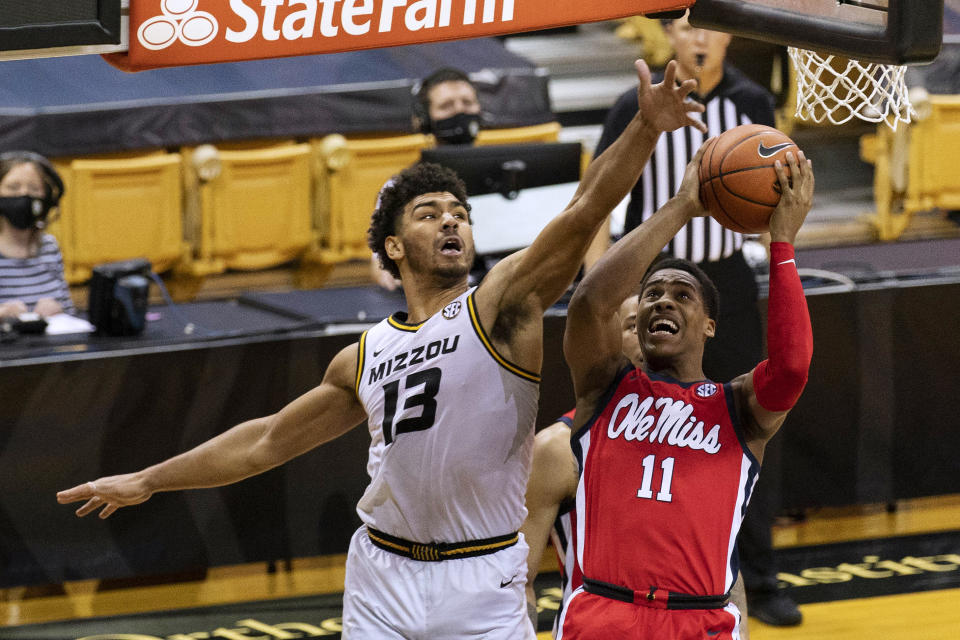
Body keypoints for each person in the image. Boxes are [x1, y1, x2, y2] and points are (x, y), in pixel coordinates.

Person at [58, 60, 707, 639]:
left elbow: (583, 211)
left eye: (459, 211)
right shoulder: (362, 355)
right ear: (393, 248)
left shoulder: (499, 307)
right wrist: (149, 479)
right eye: (428, 212)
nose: (451, 218)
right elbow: (264, 442)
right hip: (381, 572)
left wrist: (646, 131)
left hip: (480, 576)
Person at [593, 11, 803, 627]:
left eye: (710, 27)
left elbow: (776, 192)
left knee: (745, 430)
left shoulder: (752, 101)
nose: (701, 37)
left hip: (727, 286)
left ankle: (760, 580)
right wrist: (597, 283)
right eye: (688, 28)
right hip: (654, 282)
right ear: (672, 39)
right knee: (640, 427)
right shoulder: (635, 107)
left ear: (729, 37)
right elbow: (599, 196)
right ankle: (624, 562)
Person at [556, 142, 813, 639]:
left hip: (700, 619)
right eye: (652, 293)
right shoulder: (605, 387)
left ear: (710, 325)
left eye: (682, 294)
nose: (662, 302)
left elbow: (792, 368)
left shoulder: (737, 406)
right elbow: (589, 303)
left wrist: (781, 242)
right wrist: (682, 207)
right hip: (605, 613)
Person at [520, 295, 748, 639]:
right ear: (608, 341)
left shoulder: (706, 436)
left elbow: (726, 568)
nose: (649, 328)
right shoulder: (559, 446)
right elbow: (517, 579)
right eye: (631, 324)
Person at [371, 67, 484, 290]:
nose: (460, 112)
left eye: (467, 103)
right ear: (424, 119)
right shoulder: (400, 187)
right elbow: (380, 267)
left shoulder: (512, 170)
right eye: (447, 106)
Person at [0, 151, 75, 319]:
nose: (24, 195)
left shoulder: (49, 247)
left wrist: (58, 309)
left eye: (34, 189)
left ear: (46, 198)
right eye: (13, 188)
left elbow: (70, 311)